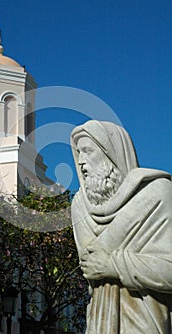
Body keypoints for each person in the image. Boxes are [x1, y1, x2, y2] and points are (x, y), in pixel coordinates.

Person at [70, 120, 172, 334]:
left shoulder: (157, 195)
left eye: (88, 151)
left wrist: (114, 264)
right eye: (78, 152)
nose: (80, 161)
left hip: (145, 320)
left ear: (112, 153)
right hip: (99, 321)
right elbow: (89, 267)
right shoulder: (80, 207)